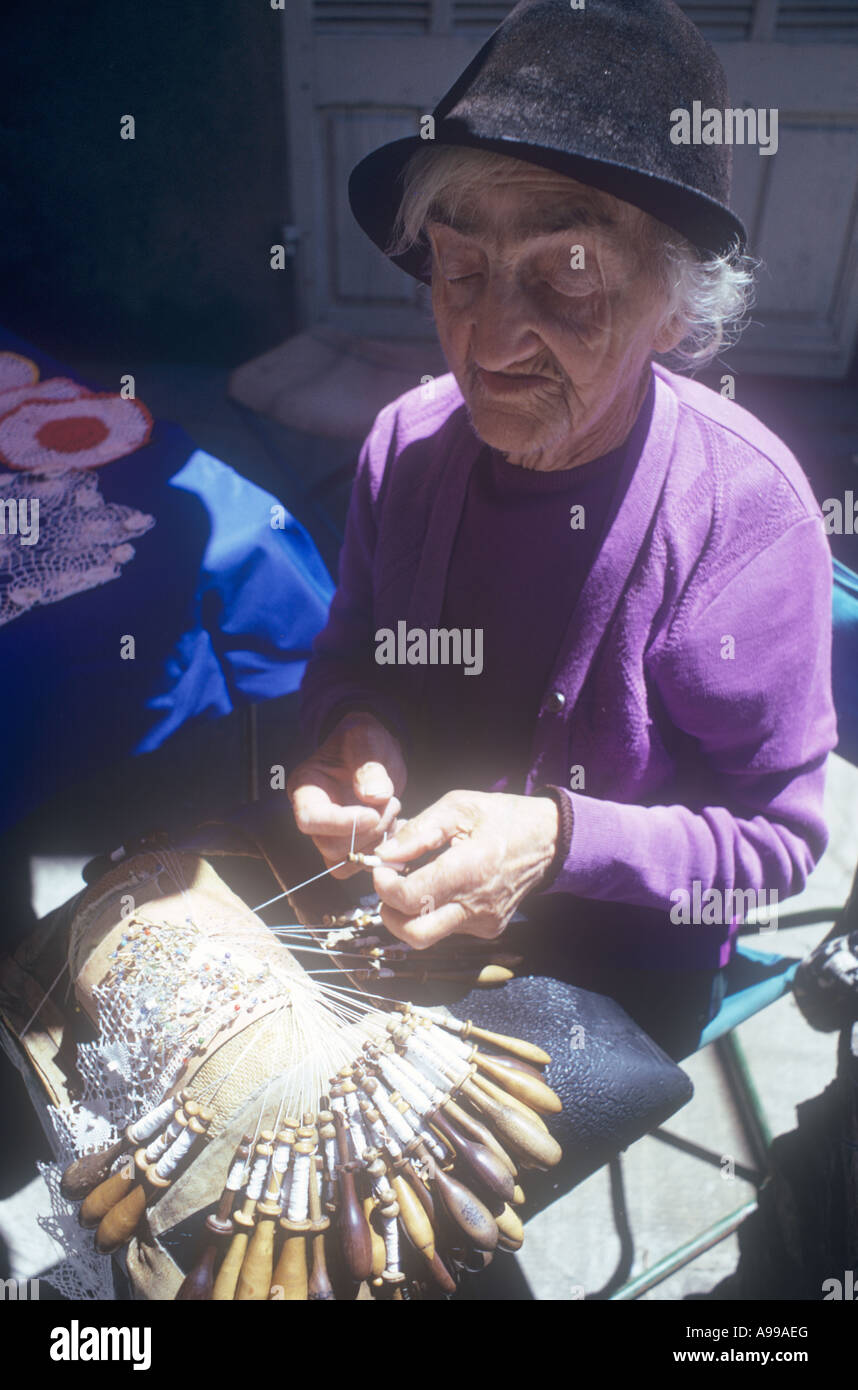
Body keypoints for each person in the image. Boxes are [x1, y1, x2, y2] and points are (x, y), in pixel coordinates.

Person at [286, 0, 837, 1059]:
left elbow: (777, 840)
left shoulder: (747, 518)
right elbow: (350, 651)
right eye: (459, 267)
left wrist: (556, 840)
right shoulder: (404, 446)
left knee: (413, 1208)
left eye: (569, 269)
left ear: (675, 308)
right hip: (402, 911)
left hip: (613, 961)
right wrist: (355, 734)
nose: (488, 340)